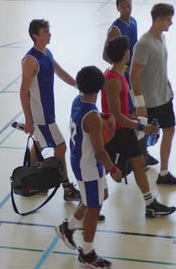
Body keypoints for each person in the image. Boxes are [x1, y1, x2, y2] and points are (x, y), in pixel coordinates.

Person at [55, 66, 122, 268]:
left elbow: (89, 124)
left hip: (83, 160)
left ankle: (68, 227)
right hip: (88, 165)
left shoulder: (79, 101)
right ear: (100, 88)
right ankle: (87, 253)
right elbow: (100, 150)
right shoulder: (92, 117)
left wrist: (102, 118)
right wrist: (114, 169)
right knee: (94, 206)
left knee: (99, 197)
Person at [102, 36, 176, 217]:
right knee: (102, 167)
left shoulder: (120, 75)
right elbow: (116, 115)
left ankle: (150, 204)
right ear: (124, 54)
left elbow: (122, 112)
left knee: (138, 162)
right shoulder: (112, 79)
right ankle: (87, 202)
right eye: (128, 50)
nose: (130, 53)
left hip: (124, 130)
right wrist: (141, 127)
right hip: (114, 133)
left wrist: (135, 117)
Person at [19, 19, 81, 201]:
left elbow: (60, 72)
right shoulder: (30, 60)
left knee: (37, 145)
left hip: (47, 112)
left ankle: (30, 183)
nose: (49, 34)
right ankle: (68, 189)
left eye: (48, 31)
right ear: (35, 36)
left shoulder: (47, 53)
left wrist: (79, 85)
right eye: (45, 32)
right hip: (42, 116)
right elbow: (23, 92)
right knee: (61, 147)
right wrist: (29, 120)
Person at [130, 3, 176, 186]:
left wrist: (167, 83)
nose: (171, 23)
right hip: (150, 102)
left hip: (164, 97)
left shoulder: (161, 38)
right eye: (168, 20)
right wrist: (140, 103)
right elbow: (133, 74)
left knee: (170, 130)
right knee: (140, 139)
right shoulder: (144, 44)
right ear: (158, 20)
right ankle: (134, 169)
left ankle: (164, 172)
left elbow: (159, 66)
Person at [103, 0, 159, 168]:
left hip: (133, 77)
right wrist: (126, 69)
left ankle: (143, 152)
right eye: (124, 7)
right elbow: (106, 55)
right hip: (124, 77)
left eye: (129, 6)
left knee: (140, 112)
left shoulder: (133, 21)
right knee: (129, 114)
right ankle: (132, 156)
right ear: (118, 8)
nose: (127, 9)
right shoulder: (115, 30)